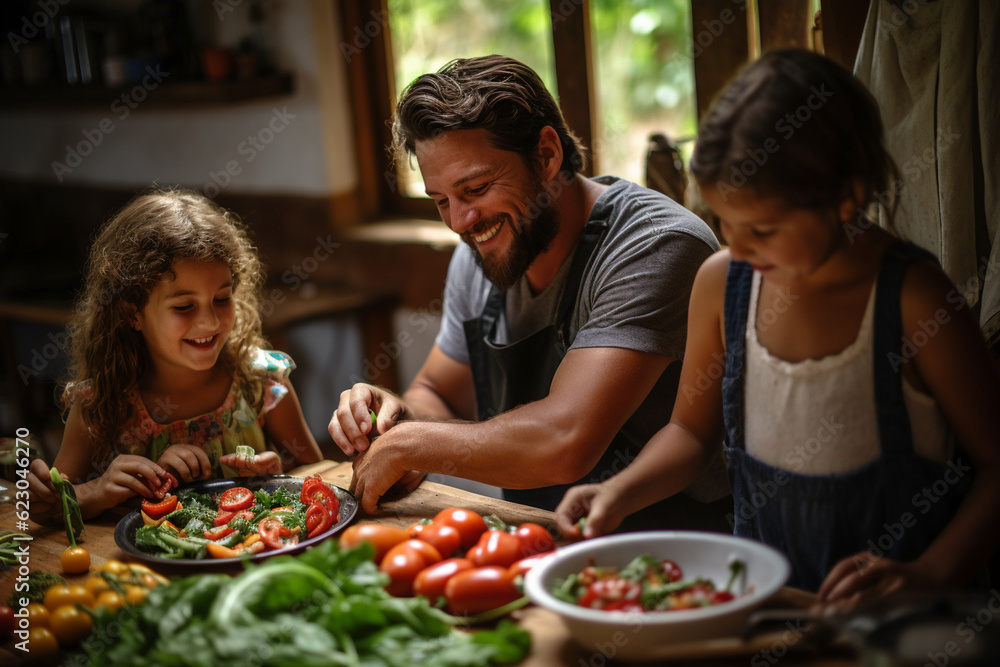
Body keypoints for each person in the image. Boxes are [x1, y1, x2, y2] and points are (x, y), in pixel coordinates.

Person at [554, 49, 1000, 606]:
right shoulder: (724, 284)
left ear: (847, 196)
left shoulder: (913, 300)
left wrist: (932, 573)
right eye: (724, 223)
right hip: (769, 613)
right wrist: (618, 492)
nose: (737, 247)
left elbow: (993, 466)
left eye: (762, 228)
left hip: (906, 628)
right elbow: (691, 435)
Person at [329, 54, 731, 531]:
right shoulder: (481, 251)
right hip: (546, 539)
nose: (460, 222)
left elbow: (565, 441)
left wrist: (411, 445)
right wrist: (393, 419)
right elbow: (439, 394)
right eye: (440, 201)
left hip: (680, 546)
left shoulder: (655, 245)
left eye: (475, 188)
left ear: (546, 154)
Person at [27, 190, 322, 521]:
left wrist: (278, 475)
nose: (209, 322)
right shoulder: (100, 404)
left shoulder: (262, 384)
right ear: (132, 313)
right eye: (184, 306)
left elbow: (321, 478)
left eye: (223, 299)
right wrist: (98, 490)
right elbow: (48, 508)